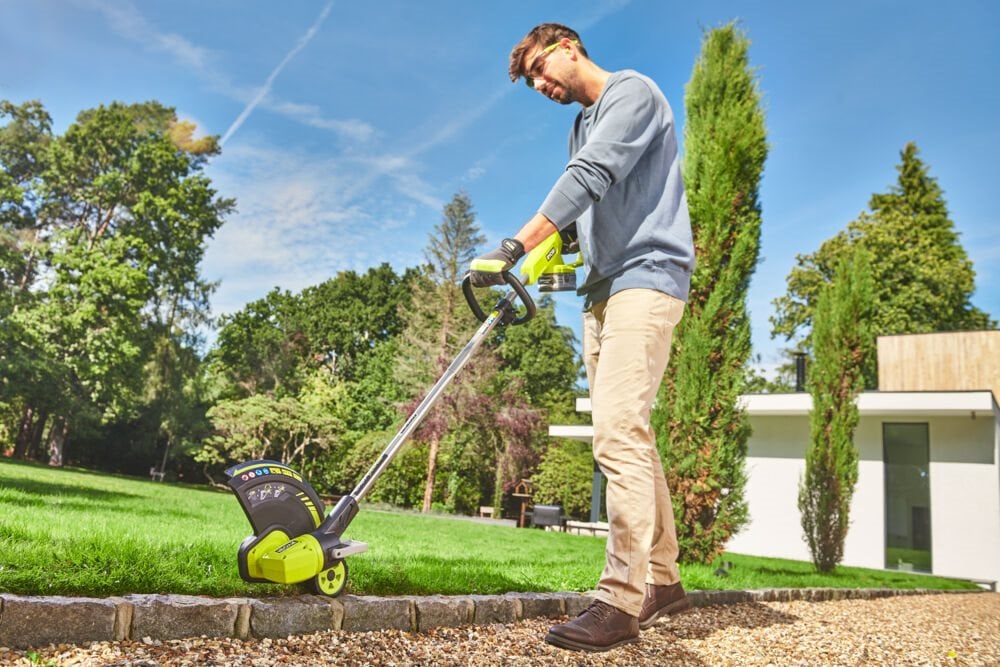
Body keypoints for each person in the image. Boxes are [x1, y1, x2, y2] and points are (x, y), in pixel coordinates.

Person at [469, 23, 696, 653]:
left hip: (646, 279)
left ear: (570, 47)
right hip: (602, 291)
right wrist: (561, 251)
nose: (541, 84)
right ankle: (666, 577)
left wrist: (518, 244)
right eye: (534, 80)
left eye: (543, 68)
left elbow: (591, 177)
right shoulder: (581, 123)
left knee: (616, 433)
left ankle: (620, 600)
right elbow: (590, 212)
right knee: (631, 434)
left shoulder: (632, 94)